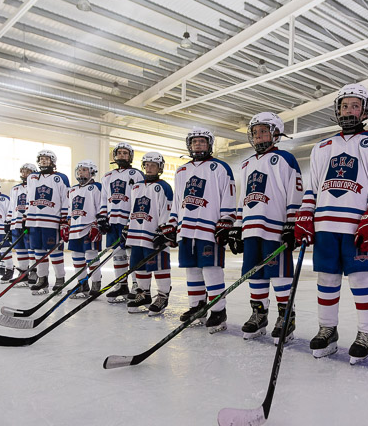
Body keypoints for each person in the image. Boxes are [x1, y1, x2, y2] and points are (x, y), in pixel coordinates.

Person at [295, 84, 368, 364]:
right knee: (326, 280)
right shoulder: (323, 146)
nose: (349, 110)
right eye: (344, 106)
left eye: (354, 105)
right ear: (337, 110)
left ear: (364, 109)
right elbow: (313, 187)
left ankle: (366, 332)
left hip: (356, 225)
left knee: (362, 279)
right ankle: (327, 330)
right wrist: (305, 216)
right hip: (326, 224)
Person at [228, 112, 303, 343]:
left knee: (279, 275)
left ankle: (285, 316)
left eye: (263, 131)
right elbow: (243, 197)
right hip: (251, 228)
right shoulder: (247, 163)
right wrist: (237, 227)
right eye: (255, 132)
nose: (258, 136)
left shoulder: (285, 159)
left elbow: (296, 191)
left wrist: (292, 223)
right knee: (255, 274)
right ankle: (259, 314)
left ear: (275, 133)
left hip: (275, 227)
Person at [162, 127, 236, 333]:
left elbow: (228, 196)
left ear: (209, 144)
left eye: (202, 142)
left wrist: (227, 219)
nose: (198, 145)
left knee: (211, 270)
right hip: (186, 229)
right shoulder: (181, 170)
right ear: (189, 145)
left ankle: (218, 311)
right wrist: (172, 223)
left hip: (209, 229)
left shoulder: (220, 168)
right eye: (194, 142)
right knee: (192, 269)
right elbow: (178, 202)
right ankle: (197, 306)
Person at [124, 152, 174, 315]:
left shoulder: (164, 186)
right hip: (137, 232)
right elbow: (133, 208)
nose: (149, 167)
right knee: (138, 264)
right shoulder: (136, 186)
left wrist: (165, 229)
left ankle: (162, 295)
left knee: (158, 266)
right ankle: (143, 294)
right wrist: (128, 225)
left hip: (155, 234)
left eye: (153, 165)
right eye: (147, 165)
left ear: (160, 168)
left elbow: (168, 209)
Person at [98, 142, 144, 302]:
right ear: (115, 155)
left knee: (132, 255)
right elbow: (103, 198)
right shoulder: (107, 176)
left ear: (130, 156)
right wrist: (102, 216)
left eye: (125, 153)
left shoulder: (137, 174)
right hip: (113, 222)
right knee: (118, 255)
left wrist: (134, 220)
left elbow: (140, 198)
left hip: (129, 221)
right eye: (119, 153)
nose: (122, 155)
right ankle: (121, 285)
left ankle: (137, 285)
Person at [26, 149, 70, 295]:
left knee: (55, 251)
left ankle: (60, 279)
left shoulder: (60, 177)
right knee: (38, 252)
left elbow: (66, 199)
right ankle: (42, 279)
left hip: (52, 222)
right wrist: (25, 217)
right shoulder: (32, 177)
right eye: (41, 159)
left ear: (53, 161)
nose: (43, 161)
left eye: (46, 159)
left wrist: (64, 220)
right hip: (34, 221)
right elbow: (28, 198)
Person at [65, 160, 103, 299]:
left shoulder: (97, 187)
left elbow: (101, 207)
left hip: (89, 227)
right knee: (76, 256)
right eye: (79, 170)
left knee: (91, 256)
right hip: (75, 228)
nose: (81, 172)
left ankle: (96, 283)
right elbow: (70, 209)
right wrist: (66, 224)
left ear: (92, 172)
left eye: (84, 170)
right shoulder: (73, 189)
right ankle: (81, 284)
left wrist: (97, 225)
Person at [6, 163, 37, 286]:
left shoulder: (35, 186)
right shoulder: (15, 188)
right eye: (23, 171)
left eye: (27, 171)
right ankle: (23, 273)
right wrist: (8, 222)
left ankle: (34, 272)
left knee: (31, 249)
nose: (24, 174)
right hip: (16, 223)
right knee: (20, 249)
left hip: (28, 222)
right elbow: (11, 205)